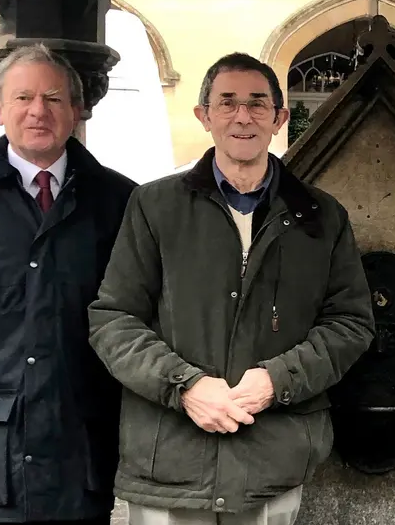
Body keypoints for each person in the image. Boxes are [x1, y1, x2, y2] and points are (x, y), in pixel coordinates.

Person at [87, 52, 375, 525]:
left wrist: (276, 381)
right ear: (204, 116)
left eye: (258, 103)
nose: (243, 116)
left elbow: (350, 323)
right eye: (227, 102)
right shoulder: (155, 206)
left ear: (280, 118)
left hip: (271, 462)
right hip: (171, 464)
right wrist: (186, 386)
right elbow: (114, 319)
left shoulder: (321, 217)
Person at [0, 44, 136, 524]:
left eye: (53, 97)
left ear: (76, 109)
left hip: (84, 456)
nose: (37, 111)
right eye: (23, 97)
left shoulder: (121, 201)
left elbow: (141, 325)